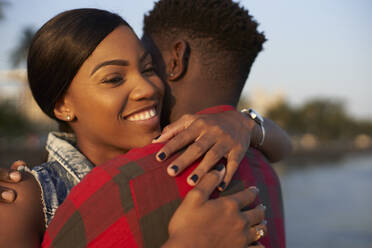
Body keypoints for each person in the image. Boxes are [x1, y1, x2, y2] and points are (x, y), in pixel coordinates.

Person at [0, 7, 290, 247]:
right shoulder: (26, 199)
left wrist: (244, 122)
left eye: (148, 69)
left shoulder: (172, 154)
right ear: (63, 106)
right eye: (114, 79)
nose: (147, 88)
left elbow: (282, 147)